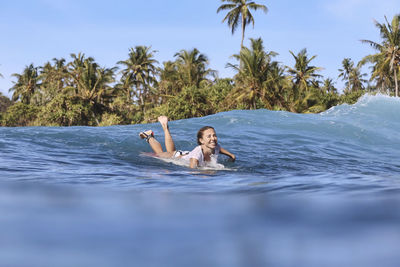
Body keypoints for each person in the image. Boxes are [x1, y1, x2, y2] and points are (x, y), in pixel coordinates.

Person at [139, 116, 236, 168]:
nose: (213, 138)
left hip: (184, 154)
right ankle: (151, 135)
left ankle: (160, 130)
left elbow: (227, 153)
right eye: (209, 136)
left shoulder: (215, 146)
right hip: (177, 158)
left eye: (214, 135)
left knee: (171, 151)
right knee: (159, 153)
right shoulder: (197, 154)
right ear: (201, 141)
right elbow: (192, 170)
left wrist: (232, 157)